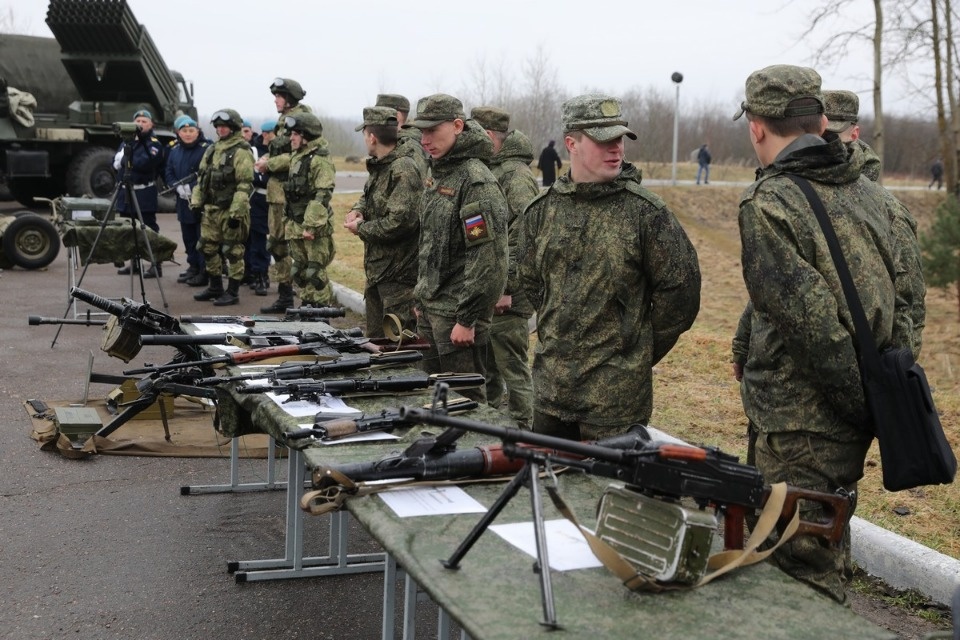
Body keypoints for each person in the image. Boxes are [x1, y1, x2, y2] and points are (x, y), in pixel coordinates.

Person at [732, 64, 913, 603]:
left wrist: (856, 404)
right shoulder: (875, 197)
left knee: (796, 575)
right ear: (820, 121)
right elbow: (906, 307)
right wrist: (880, 402)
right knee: (824, 544)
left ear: (757, 128)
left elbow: (812, 328)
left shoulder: (770, 204)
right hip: (852, 415)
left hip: (800, 426)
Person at [517, 94, 701, 441]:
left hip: (614, 402)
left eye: (620, 139)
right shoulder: (541, 211)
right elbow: (532, 282)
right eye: (604, 141)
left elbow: (681, 296)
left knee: (609, 493)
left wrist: (634, 351)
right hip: (549, 392)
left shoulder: (646, 214)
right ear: (572, 143)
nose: (616, 149)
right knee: (543, 483)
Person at [401, 94, 508, 403]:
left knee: (465, 404)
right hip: (432, 310)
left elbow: (488, 258)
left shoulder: (475, 181)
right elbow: (430, 241)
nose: (424, 139)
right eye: (421, 131)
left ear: (458, 126)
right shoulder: (438, 171)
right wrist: (422, 295)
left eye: (432, 130)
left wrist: (468, 318)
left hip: (457, 318)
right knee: (432, 398)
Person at [471, 105, 538, 428]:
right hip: (495, 290)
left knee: (511, 363)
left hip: (509, 296)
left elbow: (524, 235)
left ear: (487, 137)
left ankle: (525, 428)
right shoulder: (495, 169)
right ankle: (493, 422)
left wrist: (506, 287)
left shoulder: (515, 175)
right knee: (490, 365)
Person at [344, 105, 423, 337]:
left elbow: (400, 222)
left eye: (364, 134)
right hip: (379, 274)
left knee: (399, 348)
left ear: (372, 137)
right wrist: (358, 211)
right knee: (377, 345)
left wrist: (362, 228)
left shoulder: (403, 168)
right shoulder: (381, 166)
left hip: (398, 280)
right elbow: (371, 198)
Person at [255, 77, 311, 313]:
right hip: (276, 194)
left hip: (293, 195)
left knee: (300, 248)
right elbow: (280, 149)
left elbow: (302, 155)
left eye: (279, 96)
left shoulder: (303, 119)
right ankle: (285, 296)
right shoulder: (282, 121)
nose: (276, 101)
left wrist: (270, 164)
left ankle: (310, 301)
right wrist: (266, 158)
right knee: (277, 246)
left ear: (289, 98)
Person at [189, 108, 254, 306]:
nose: (220, 129)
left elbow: (245, 185)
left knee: (232, 250)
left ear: (233, 127)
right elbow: (201, 179)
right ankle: (215, 285)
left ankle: (232, 292)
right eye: (218, 126)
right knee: (207, 247)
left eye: (224, 126)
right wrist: (196, 202)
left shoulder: (241, 151)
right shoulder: (212, 150)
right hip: (211, 210)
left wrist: (236, 214)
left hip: (230, 210)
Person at [282, 112, 337, 307]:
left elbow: (323, 194)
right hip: (296, 223)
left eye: (295, 134)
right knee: (300, 271)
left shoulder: (319, 159)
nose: (291, 138)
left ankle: (322, 315)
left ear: (306, 136)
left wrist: (311, 226)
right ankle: (307, 308)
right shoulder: (298, 157)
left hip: (313, 226)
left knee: (315, 272)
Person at [114, 108, 165, 277]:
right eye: (138, 121)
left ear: (151, 125)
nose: (140, 124)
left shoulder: (154, 144)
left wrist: (122, 160)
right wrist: (120, 161)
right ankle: (134, 264)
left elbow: (143, 163)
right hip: (125, 193)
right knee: (129, 230)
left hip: (143, 194)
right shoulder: (127, 142)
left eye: (144, 121)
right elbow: (114, 163)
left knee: (148, 230)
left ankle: (155, 264)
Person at [164, 114, 211, 287]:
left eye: (192, 130)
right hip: (183, 201)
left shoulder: (206, 148)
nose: (188, 134)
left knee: (202, 237)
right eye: (184, 131)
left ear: (198, 131)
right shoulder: (175, 150)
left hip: (201, 201)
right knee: (188, 236)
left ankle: (204, 270)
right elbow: (168, 171)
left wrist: (192, 186)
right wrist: (176, 186)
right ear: (178, 132)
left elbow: (208, 173)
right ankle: (193, 265)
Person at [245, 119, 272, 296]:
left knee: (277, 241)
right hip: (258, 200)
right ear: (265, 134)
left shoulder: (280, 151)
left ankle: (267, 274)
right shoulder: (253, 151)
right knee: (258, 240)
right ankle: (259, 275)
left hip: (276, 201)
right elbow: (254, 176)